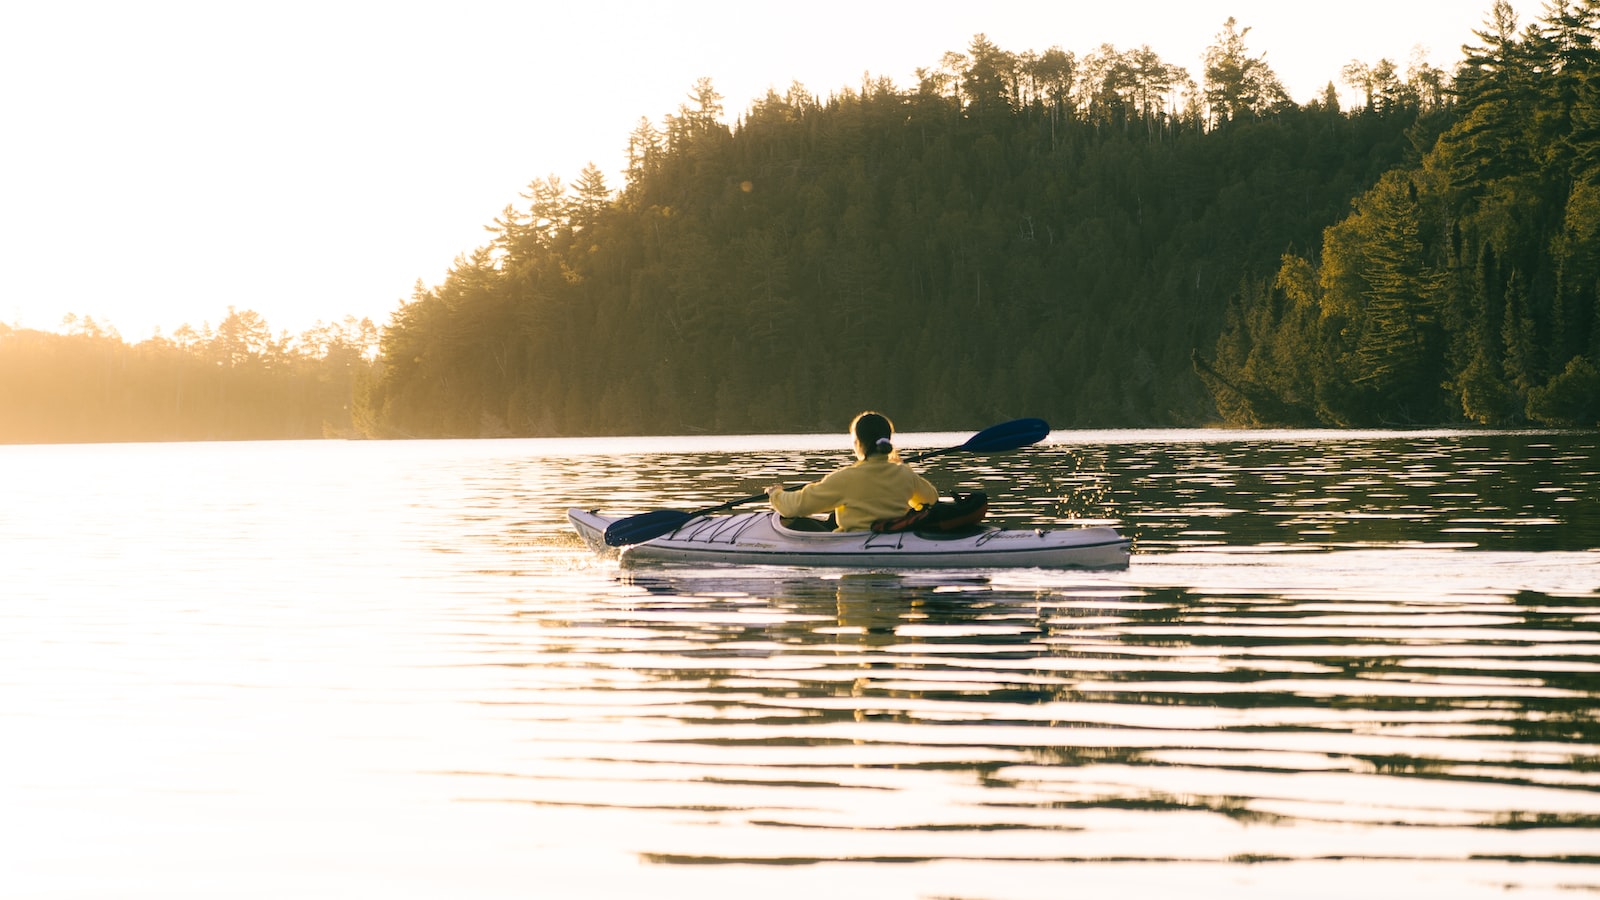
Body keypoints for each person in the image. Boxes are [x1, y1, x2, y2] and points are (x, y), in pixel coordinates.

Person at [767, 411, 939, 532]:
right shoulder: (904, 474)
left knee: (792, 521)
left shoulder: (845, 478)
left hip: (852, 544)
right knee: (834, 517)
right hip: (893, 536)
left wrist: (775, 494)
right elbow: (931, 500)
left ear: (858, 443)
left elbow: (794, 506)